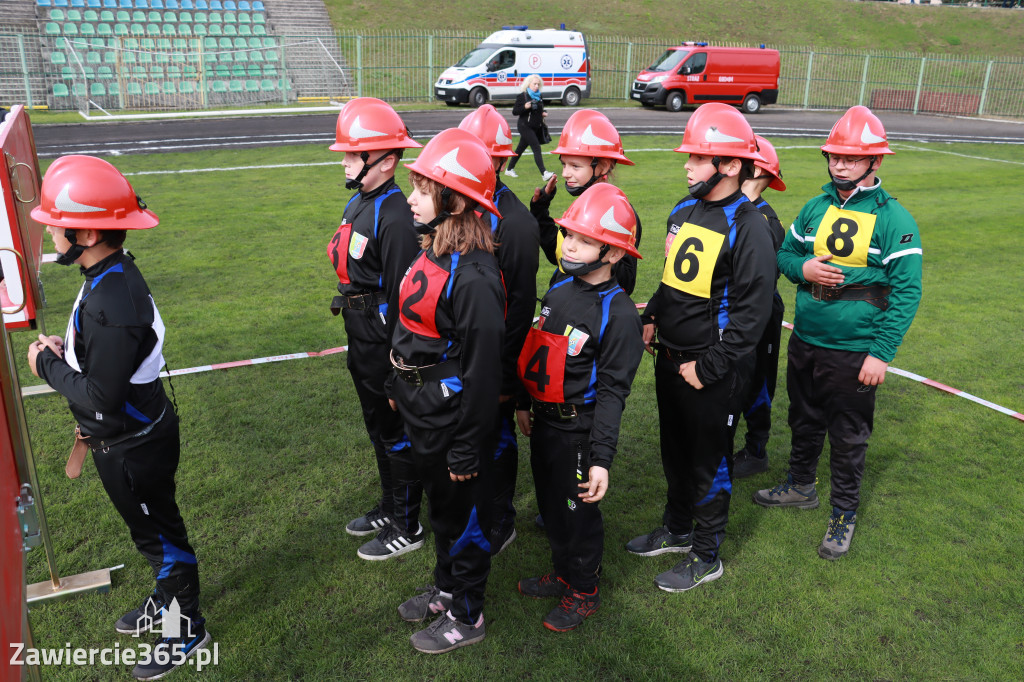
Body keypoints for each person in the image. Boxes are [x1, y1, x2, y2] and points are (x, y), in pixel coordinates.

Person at [27, 155, 210, 679]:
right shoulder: (107, 274)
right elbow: (105, 365)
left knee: (163, 540)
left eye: (57, 224)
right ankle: (166, 597)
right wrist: (70, 353)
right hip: (127, 442)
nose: (52, 232)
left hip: (134, 447)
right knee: (151, 537)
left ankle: (185, 629)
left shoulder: (113, 296)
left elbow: (102, 397)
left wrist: (48, 365)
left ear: (85, 232)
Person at [753, 106, 923, 561]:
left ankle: (843, 513)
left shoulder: (895, 220)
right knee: (803, 419)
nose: (840, 165)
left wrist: (881, 354)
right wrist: (801, 267)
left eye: (851, 157)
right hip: (806, 338)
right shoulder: (814, 207)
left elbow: (907, 292)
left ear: (875, 162)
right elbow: (784, 256)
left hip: (855, 351)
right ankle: (801, 486)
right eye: (834, 156)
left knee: (848, 436)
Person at [628, 103, 775, 592]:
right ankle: (676, 528)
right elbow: (674, 282)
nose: (686, 165)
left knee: (708, 460)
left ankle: (707, 554)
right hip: (669, 358)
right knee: (674, 451)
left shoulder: (749, 225)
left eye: (697, 156)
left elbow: (753, 315)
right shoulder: (683, 209)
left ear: (730, 165)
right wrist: (652, 318)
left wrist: (707, 366)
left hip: (712, 369)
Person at [388, 128, 506, 653]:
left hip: (452, 420)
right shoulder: (432, 251)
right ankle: (446, 585)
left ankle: (469, 614)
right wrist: (399, 382)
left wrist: (466, 443)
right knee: (442, 511)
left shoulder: (477, 278)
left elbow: (484, 374)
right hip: (422, 411)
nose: (410, 198)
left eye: (422, 188)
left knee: (465, 518)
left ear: (454, 201)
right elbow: (411, 327)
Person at [515, 183, 644, 632]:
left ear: (611, 254)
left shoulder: (620, 314)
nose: (569, 244)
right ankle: (564, 572)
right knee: (551, 506)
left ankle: (584, 589)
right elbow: (539, 355)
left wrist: (601, 459)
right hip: (545, 424)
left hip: (579, 433)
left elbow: (612, 393)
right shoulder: (558, 290)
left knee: (578, 513)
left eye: (584, 239)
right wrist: (526, 404)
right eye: (569, 234)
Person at [322, 97, 427, 561]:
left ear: (385, 161)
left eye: (352, 154)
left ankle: (409, 523)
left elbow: (408, 297)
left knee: (396, 430)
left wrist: (396, 364)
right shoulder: (360, 202)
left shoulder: (395, 214)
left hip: (383, 340)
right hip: (360, 331)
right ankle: (389, 505)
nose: (344, 162)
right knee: (377, 426)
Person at [457, 104, 540, 554]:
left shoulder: (517, 224)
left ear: (502, 162)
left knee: (497, 437)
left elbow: (521, 307)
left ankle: (501, 518)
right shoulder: (460, 209)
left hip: (495, 362)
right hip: (460, 359)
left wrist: (506, 375)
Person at [530, 108, 643, 296]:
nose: (566, 173)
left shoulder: (620, 216)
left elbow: (626, 283)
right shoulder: (581, 206)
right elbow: (558, 255)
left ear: (604, 166)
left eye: (575, 166)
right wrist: (540, 209)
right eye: (564, 164)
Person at [733, 135, 788, 479]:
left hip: (761, 314)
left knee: (757, 380)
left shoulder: (766, 223)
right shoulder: (735, 211)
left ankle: (756, 450)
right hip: (734, 311)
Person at [504, 74, 555, 182]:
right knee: (536, 147)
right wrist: (525, 107)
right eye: (534, 84)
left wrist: (543, 113)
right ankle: (544, 173)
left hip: (535, 127)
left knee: (520, 148)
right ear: (528, 84)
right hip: (524, 126)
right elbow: (515, 111)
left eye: (538, 84)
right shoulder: (523, 96)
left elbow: (539, 110)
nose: (536, 86)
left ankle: (509, 169)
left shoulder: (539, 96)